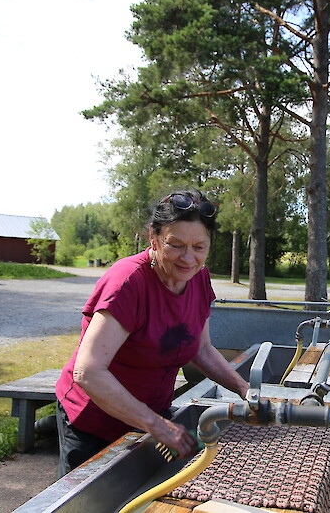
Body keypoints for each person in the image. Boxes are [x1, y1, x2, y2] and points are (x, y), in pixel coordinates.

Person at [55, 187, 249, 477]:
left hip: (149, 418)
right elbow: (89, 372)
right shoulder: (128, 282)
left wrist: (246, 391)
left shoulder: (198, 277)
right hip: (94, 423)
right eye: (175, 244)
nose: (188, 258)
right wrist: (157, 425)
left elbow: (201, 348)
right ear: (153, 238)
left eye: (199, 247)